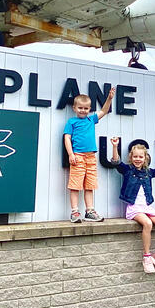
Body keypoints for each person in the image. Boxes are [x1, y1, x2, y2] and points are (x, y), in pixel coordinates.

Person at [110, 138, 155, 274]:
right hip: (134, 208)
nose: (138, 159)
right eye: (135, 156)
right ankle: (146, 257)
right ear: (131, 157)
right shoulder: (128, 170)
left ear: (145, 158)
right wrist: (115, 146)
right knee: (147, 224)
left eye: (140, 157)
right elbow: (116, 162)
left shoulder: (149, 172)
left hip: (146, 207)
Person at [63, 88, 116, 223]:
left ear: (89, 109)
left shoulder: (91, 120)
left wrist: (109, 98)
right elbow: (67, 138)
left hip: (91, 157)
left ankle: (90, 211)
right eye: (80, 107)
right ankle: (75, 212)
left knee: (90, 185)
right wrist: (70, 154)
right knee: (75, 185)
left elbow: (104, 111)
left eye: (86, 108)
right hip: (78, 156)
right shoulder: (71, 122)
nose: (83, 110)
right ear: (74, 108)